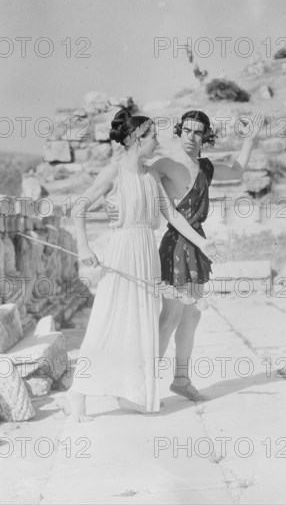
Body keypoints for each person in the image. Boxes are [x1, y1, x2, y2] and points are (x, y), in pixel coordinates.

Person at [68, 109, 223, 421]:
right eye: (152, 136)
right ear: (135, 139)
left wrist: (203, 242)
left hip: (146, 253)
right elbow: (78, 207)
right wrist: (83, 247)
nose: (158, 142)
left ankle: (133, 393)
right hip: (122, 250)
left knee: (139, 325)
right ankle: (77, 396)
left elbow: (173, 215)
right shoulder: (112, 173)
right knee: (107, 323)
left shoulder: (151, 175)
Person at [107, 110, 263, 401]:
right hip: (176, 244)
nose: (191, 137)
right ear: (179, 132)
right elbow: (133, 175)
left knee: (192, 317)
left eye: (198, 132)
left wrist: (250, 140)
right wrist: (114, 205)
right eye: (187, 131)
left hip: (198, 245)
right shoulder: (165, 164)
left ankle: (181, 379)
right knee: (171, 315)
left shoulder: (206, 168)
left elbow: (238, 171)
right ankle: (139, 385)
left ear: (206, 136)